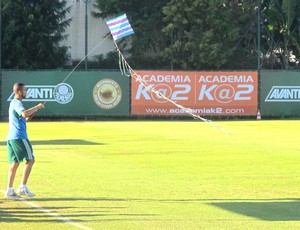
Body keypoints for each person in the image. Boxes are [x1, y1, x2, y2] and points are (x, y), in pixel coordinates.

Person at [5, 83, 45, 199]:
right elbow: (24, 113)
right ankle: (22, 187)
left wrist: (34, 112)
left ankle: (10, 190)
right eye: (25, 90)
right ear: (19, 92)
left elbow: (25, 118)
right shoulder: (17, 102)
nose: (26, 92)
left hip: (11, 137)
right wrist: (37, 107)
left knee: (15, 163)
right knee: (31, 160)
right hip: (19, 137)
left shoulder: (14, 103)